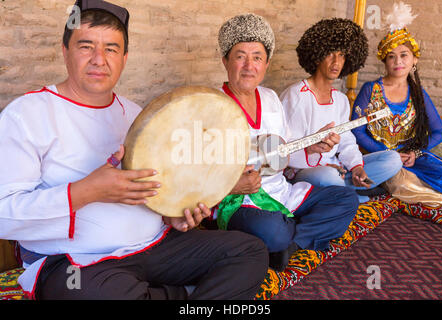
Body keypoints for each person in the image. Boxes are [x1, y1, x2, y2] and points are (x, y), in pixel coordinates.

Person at [0, 0, 269, 300]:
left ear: (124, 57)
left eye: (111, 48)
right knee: (92, 292)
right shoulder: (27, 114)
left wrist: (173, 216)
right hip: (78, 262)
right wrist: (87, 191)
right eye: (86, 46)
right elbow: (4, 215)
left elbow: (159, 192)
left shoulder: (138, 115)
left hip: (155, 247)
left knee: (250, 252)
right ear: (65, 52)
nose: (99, 59)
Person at [214, 13, 359, 271]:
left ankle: (291, 245)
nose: (249, 65)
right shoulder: (210, 106)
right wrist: (232, 185)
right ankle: (287, 237)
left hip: (282, 191)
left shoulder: (270, 98)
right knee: (271, 229)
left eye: (257, 57)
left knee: (346, 200)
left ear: (266, 63)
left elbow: (285, 151)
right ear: (226, 60)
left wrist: (311, 146)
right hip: (240, 199)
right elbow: (199, 173)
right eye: (240, 56)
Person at [280, 18, 403, 203]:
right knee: (328, 176)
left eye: (343, 55)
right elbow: (282, 151)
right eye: (330, 53)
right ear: (317, 54)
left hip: (338, 169)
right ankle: (351, 195)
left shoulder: (341, 100)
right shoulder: (295, 95)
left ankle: (346, 190)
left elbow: (346, 142)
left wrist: (356, 167)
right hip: (305, 171)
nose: (337, 62)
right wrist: (312, 149)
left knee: (393, 159)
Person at [352, 2, 442, 205]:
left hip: (414, 157)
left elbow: (439, 132)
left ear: (414, 60)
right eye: (391, 57)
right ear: (384, 61)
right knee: (406, 185)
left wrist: (415, 153)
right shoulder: (370, 90)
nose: (398, 61)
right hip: (383, 159)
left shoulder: (418, 94)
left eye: (404, 55)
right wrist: (390, 155)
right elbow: (357, 131)